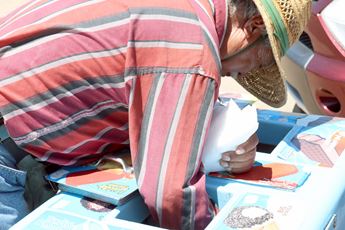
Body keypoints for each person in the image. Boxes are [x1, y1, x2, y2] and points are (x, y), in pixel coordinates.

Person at [0, 0, 311, 229]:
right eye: (255, 64)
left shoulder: (188, 13)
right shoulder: (190, 52)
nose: (238, 75)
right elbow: (171, 195)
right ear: (253, 28)